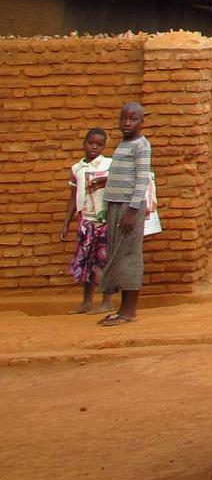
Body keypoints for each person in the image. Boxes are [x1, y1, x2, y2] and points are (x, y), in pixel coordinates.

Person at [97, 102, 151, 326]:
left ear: (141, 122)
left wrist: (131, 211)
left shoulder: (141, 145)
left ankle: (129, 311)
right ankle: (121, 308)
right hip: (116, 205)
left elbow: (141, 179)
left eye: (133, 119)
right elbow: (126, 175)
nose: (127, 123)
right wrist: (106, 180)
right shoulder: (124, 144)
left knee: (129, 256)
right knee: (117, 255)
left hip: (129, 208)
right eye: (123, 119)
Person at [62, 129, 112, 313]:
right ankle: (86, 302)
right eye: (91, 143)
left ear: (104, 146)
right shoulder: (77, 169)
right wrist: (66, 223)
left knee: (105, 261)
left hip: (105, 221)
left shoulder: (109, 165)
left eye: (99, 144)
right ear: (84, 143)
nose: (94, 147)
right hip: (86, 222)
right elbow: (74, 196)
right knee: (87, 262)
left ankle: (107, 301)